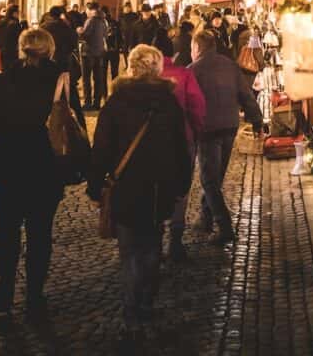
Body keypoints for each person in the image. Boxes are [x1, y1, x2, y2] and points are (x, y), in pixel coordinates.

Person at [0, 27, 78, 321]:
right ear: (50, 50)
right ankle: (34, 296)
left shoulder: (4, 80)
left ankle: (4, 294)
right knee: (40, 233)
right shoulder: (60, 81)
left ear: (21, 49)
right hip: (45, 165)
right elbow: (73, 125)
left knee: (7, 231)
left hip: (8, 162)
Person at [88, 44, 191, 345]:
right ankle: (145, 302)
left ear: (131, 67)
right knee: (151, 247)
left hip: (126, 187)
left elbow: (102, 147)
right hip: (159, 189)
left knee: (130, 251)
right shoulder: (169, 102)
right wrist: (181, 185)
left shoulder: (117, 101)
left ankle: (132, 314)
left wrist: (95, 185)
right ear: (157, 69)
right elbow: (181, 148)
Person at [190, 28, 263, 243]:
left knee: (209, 180)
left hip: (208, 129)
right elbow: (246, 95)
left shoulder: (193, 70)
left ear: (197, 48)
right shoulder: (230, 66)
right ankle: (205, 217)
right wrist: (256, 120)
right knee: (216, 176)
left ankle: (224, 227)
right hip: (230, 126)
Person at [160, 48, 206, 261]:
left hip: (149, 145)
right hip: (182, 139)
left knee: (153, 188)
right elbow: (197, 107)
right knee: (180, 189)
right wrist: (196, 132)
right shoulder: (183, 74)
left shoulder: (137, 79)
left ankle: (154, 241)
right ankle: (175, 240)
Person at [40, 6, 80, 90]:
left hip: (48, 58)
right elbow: (73, 42)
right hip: (64, 59)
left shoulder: (44, 27)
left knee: (48, 84)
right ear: (60, 14)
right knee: (64, 85)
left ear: (50, 14)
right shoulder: (66, 26)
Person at [79, 3, 108, 110]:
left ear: (91, 10)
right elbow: (105, 35)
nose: (86, 12)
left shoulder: (90, 21)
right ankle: (97, 103)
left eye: (87, 10)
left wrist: (79, 31)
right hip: (99, 53)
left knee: (86, 79)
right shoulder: (103, 21)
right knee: (98, 79)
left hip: (88, 53)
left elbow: (85, 35)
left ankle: (87, 103)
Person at [0, 5, 26, 73]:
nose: (19, 14)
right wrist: (24, 23)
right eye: (18, 12)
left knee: (4, 69)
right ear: (14, 13)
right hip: (13, 51)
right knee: (12, 70)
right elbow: (23, 36)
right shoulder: (14, 24)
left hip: (3, 51)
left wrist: (1, 47)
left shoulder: (1, 22)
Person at [102, 6, 121, 92]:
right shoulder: (114, 23)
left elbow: (119, 36)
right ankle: (109, 92)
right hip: (109, 50)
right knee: (107, 73)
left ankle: (111, 92)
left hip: (110, 50)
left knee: (111, 73)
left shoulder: (113, 23)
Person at [118, 2, 138, 67]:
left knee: (132, 50)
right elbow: (119, 25)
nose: (127, 9)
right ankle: (127, 65)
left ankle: (132, 64)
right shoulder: (121, 16)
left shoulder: (134, 15)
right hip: (124, 36)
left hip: (133, 35)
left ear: (130, 8)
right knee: (125, 51)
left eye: (128, 7)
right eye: (126, 7)